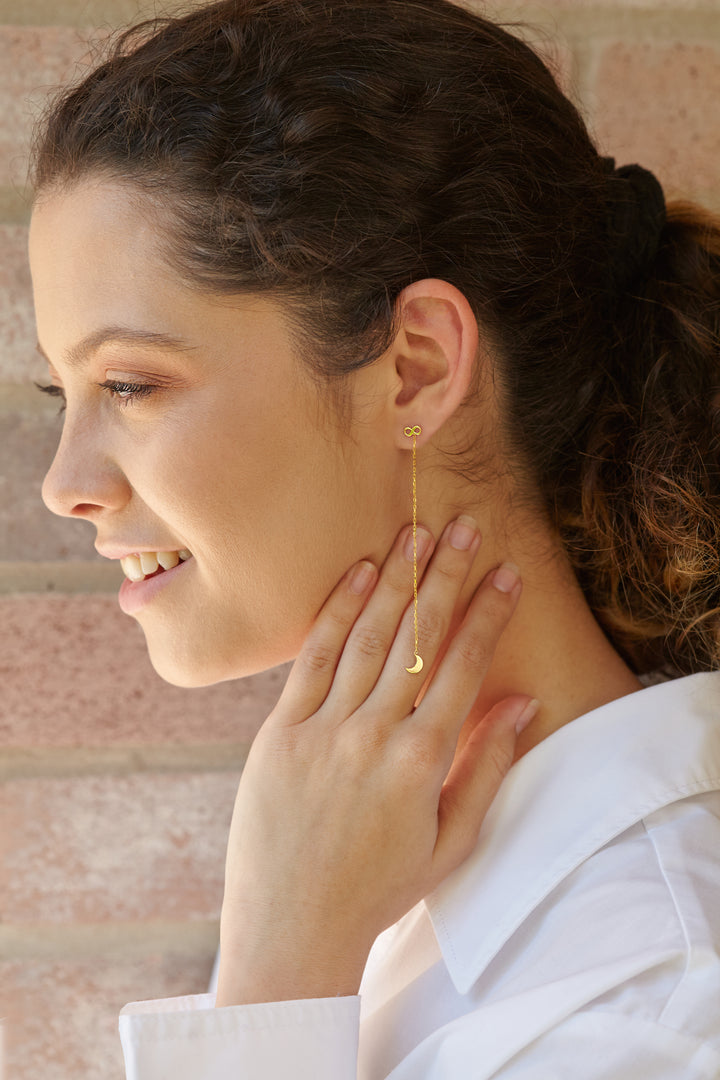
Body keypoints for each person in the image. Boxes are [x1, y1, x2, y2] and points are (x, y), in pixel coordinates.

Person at [27, 0, 720, 1076]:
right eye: (65, 391)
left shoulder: (655, 1006)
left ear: (419, 368)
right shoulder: (390, 868)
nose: (63, 485)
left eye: (130, 382)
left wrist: (274, 983)